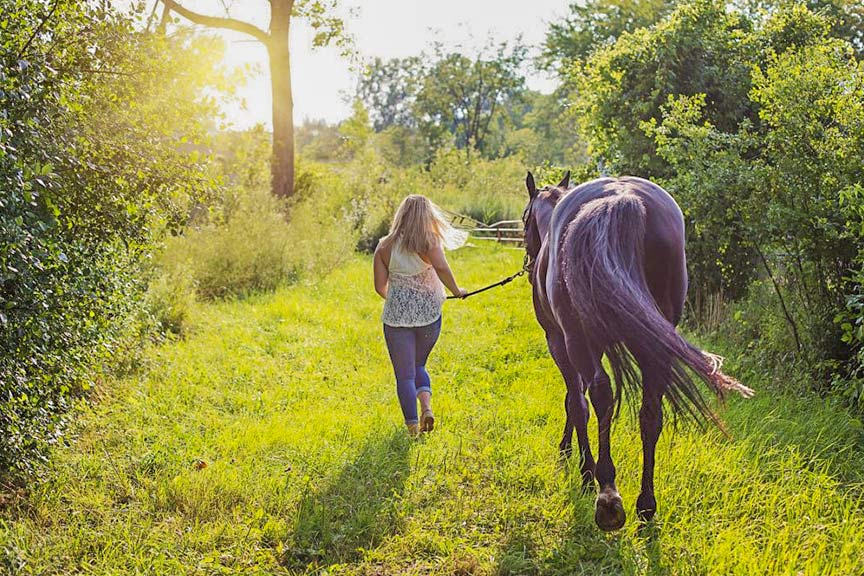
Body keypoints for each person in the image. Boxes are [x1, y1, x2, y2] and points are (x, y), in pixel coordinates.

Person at [373, 195, 468, 436]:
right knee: (419, 364)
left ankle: (413, 428)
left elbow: (379, 287)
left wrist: (399, 301)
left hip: (396, 320)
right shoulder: (429, 242)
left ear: (401, 215)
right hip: (429, 316)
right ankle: (426, 408)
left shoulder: (384, 246)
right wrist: (457, 291)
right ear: (427, 216)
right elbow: (442, 268)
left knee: (404, 375)